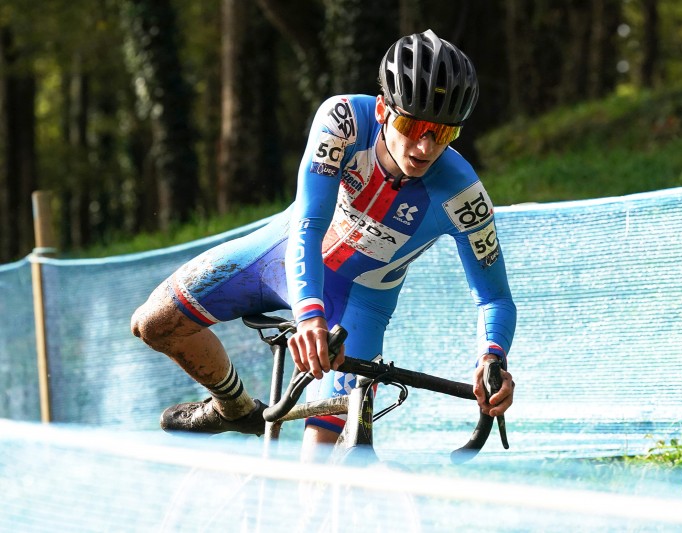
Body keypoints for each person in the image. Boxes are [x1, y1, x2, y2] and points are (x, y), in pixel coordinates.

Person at [131, 29, 517, 459]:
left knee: (317, 470)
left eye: (444, 133)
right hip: (281, 256)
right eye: (414, 125)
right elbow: (310, 225)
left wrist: (492, 358)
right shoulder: (344, 120)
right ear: (385, 109)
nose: (426, 146)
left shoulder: (465, 196)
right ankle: (233, 407)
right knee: (154, 323)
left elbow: (495, 298)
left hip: (360, 306)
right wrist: (310, 314)